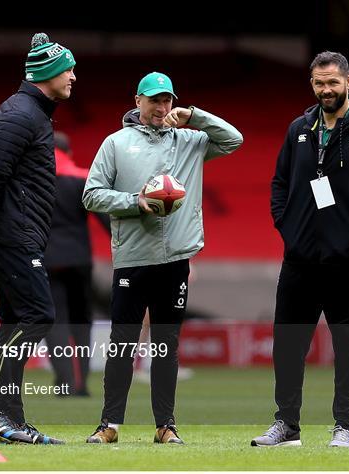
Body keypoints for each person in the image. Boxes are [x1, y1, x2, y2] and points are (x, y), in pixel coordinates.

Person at [82, 71, 243, 444]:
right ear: (137, 101)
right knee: (123, 344)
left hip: (176, 260)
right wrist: (135, 202)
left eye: (167, 100)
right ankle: (109, 425)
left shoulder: (191, 141)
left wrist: (195, 116)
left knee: (166, 346)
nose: (162, 107)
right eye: (154, 100)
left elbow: (234, 140)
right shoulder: (116, 143)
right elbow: (91, 195)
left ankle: (165, 426)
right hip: (132, 259)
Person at [251, 51, 349, 448]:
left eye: (333, 82)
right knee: (287, 348)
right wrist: (286, 226)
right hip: (299, 260)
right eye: (319, 83)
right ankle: (287, 427)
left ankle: (344, 428)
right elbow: (279, 183)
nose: (326, 90)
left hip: (347, 263)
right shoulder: (298, 128)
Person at [0, 32, 76, 445]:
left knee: (15, 323)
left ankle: (10, 416)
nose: (74, 76)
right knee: (39, 315)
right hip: (13, 236)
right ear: (50, 73)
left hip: (18, 234)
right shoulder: (20, 115)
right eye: (69, 69)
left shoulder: (31, 113)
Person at [45, 131, 110, 396]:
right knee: (82, 321)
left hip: (46, 260)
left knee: (55, 320)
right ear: (69, 152)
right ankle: (81, 382)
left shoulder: (34, 180)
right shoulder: (83, 178)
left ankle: (64, 382)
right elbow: (107, 220)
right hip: (79, 260)